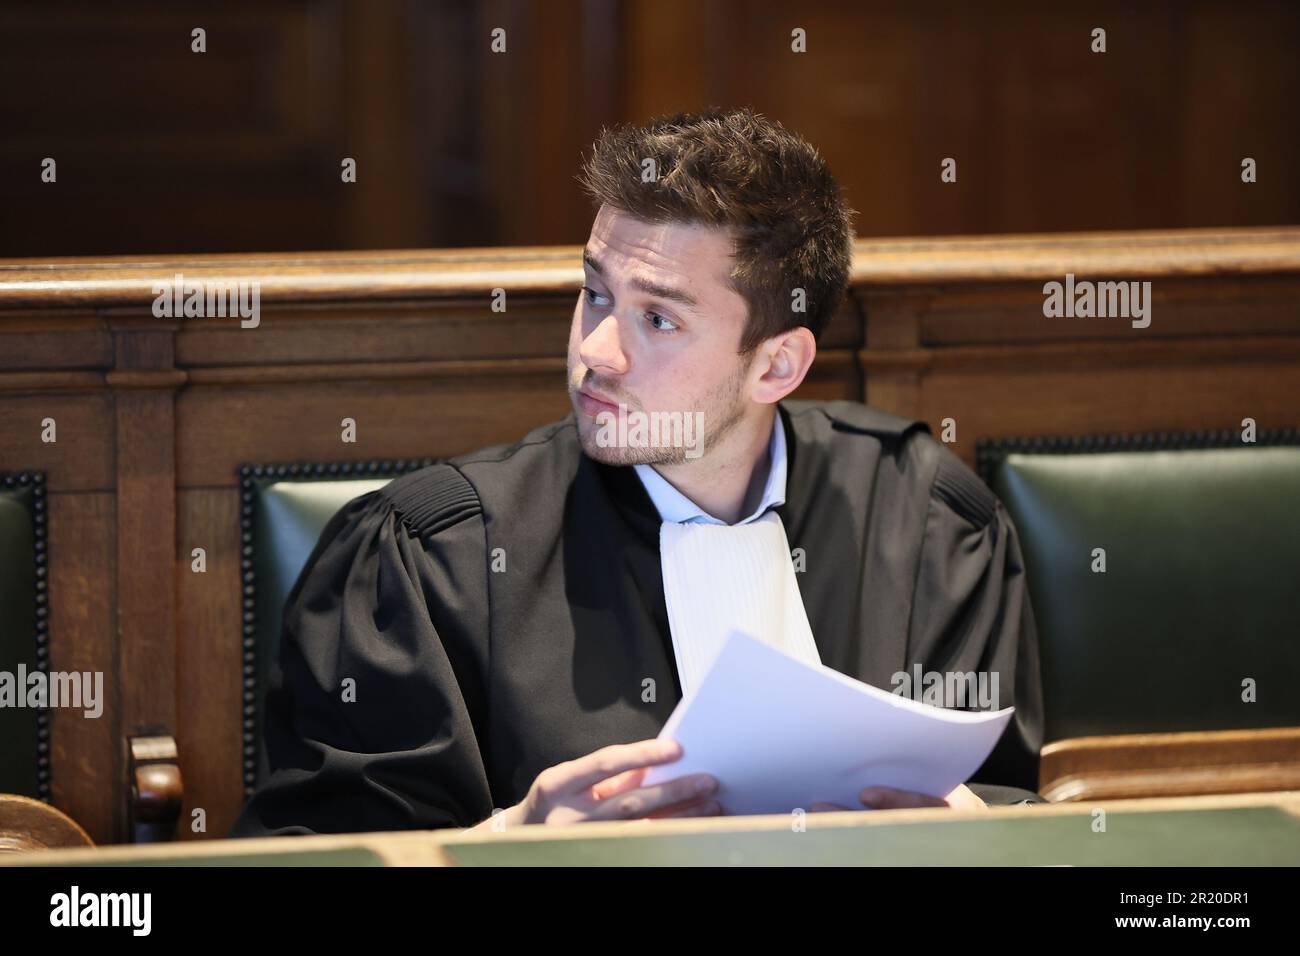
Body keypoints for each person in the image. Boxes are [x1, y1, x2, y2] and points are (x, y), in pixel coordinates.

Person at [232, 108, 1043, 837]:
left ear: (778, 366)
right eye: (594, 293)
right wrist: (512, 842)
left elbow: (1012, 803)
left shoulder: (930, 521)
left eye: (657, 318)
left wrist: (973, 832)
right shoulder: (430, 556)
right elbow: (321, 860)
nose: (594, 351)